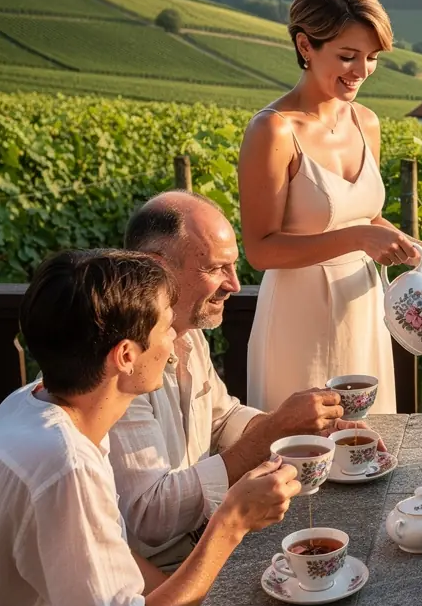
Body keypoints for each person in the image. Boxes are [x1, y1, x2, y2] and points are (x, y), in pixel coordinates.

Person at [0, 249, 300, 606]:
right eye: (166, 326)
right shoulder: (61, 463)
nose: (175, 338)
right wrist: (229, 524)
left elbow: (104, 554)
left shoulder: (32, 405)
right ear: (125, 355)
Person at [111, 191, 356, 569]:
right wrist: (274, 428)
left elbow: (221, 419)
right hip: (155, 575)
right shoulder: (120, 361)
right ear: (155, 266)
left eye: (234, 267)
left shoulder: (186, 332)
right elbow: (149, 518)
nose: (235, 285)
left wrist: (301, 432)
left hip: (204, 544)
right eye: (215, 269)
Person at [239, 0, 422, 413]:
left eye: (371, 58)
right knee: (300, 460)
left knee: (368, 452)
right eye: (348, 56)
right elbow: (259, 250)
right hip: (297, 318)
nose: (362, 71)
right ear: (306, 46)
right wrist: (360, 239)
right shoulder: (272, 129)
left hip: (363, 309)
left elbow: (366, 216)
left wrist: (420, 250)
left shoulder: (367, 122)